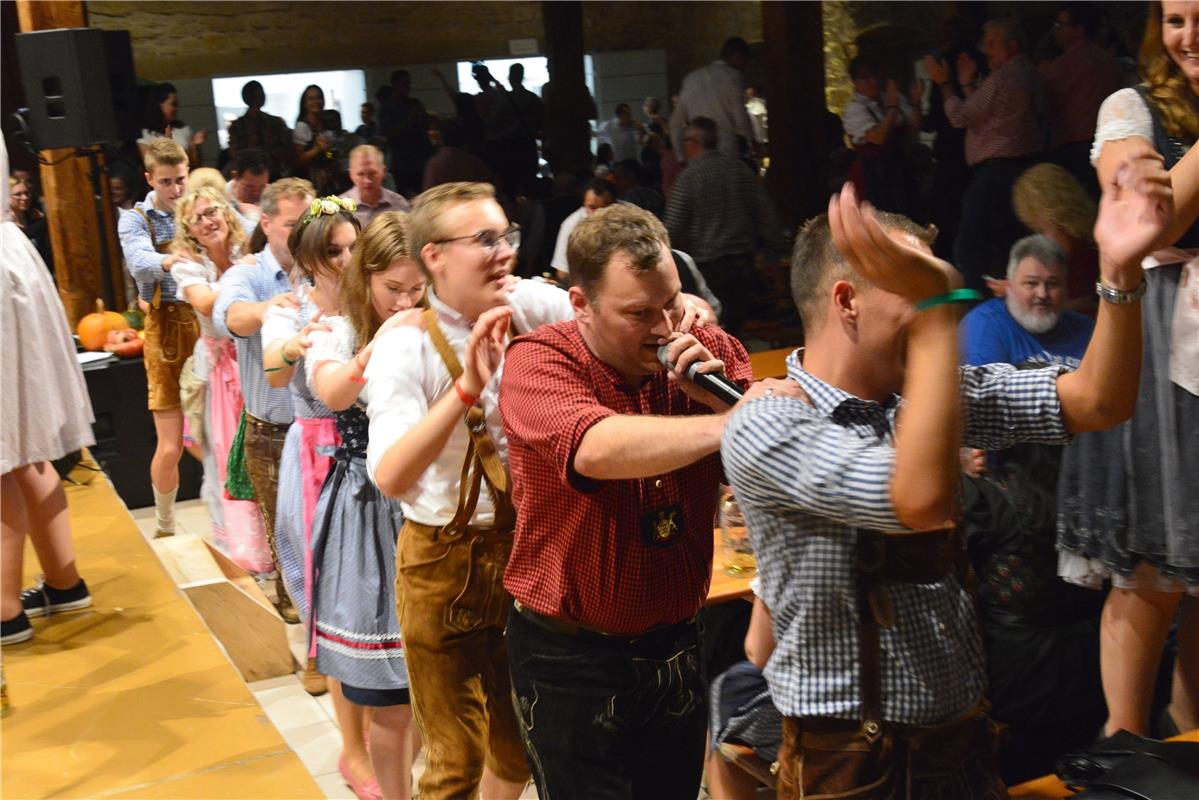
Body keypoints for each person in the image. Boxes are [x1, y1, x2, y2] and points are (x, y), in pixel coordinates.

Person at [721, 157, 1171, 798]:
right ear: (846, 302)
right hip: (853, 766)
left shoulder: (921, 399)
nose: (944, 314)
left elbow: (1099, 400)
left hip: (961, 745)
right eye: (917, 289)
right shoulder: (766, 422)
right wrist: (943, 307)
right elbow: (920, 501)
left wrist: (1118, 274)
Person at [499, 203, 763, 799]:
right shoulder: (540, 360)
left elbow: (764, 475)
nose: (665, 329)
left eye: (671, 302)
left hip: (678, 640)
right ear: (580, 304)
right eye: (638, 314)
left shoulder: (707, 350)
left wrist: (723, 402)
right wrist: (735, 424)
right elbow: (596, 447)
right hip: (571, 657)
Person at [365, 181, 571, 800]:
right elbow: (392, 475)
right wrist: (463, 391)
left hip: (526, 554)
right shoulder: (405, 344)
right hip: (442, 564)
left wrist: (683, 308)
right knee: (453, 763)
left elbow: (608, 305)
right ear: (434, 256)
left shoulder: (531, 304)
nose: (504, 250)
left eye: (505, 234)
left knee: (520, 747)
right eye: (484, 239)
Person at [1056, 0, 1199, 740]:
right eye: (1174, 20)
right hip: (1156, 339)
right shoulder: (1129, 106)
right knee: (1153, 567)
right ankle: (1123, 745)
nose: (1187, 36)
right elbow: (1154, 220)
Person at [306, 211, 425, 800]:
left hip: (438, 507)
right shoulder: (340, 332)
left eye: (416, 288)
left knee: (439, 692)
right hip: (371, 511)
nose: (404, 300)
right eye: (392, 289)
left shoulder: (447, 325)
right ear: (365, 280)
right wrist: (383, 343)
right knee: (391, 697)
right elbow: (331, 392)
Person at [1, 136, 95, 646]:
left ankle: (4, 611)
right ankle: (64, 582)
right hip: (10, 262)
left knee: (4, 452)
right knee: (22, 447)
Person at [211, 177, 316, 623]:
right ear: (267, 222)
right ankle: (302, 618)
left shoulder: (328, 265)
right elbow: (230, 316)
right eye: (293, 224)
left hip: (327, 424)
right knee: (286, 534)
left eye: (308, 223)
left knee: (324, 533)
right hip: (272, 431)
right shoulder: (247, 273)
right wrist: (271, 308)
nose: (302, 233)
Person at [168, 187, 271, 573]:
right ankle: (247, 552)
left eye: (212, 211)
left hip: (258, 365)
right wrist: (245, 278)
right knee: (229, 460)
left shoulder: (249, 251)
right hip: (223, 374)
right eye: (197, 218)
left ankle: (279, 545)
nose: (208, 221)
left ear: (226, 214)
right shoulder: (190, 266)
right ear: (190, 230)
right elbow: (206, 303)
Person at [117, 138, 200, 541]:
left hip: (206, 326)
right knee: (171, 445)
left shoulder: (201, 210)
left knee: (218, 436)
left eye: (181, 179)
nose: (176, 189)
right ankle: (165, 525)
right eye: (166, 181)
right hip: (165, 328)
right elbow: (139, 261)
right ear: (150, 179)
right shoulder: (135, 219)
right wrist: (170, 259)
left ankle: (233, 519)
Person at [925, 17, 1045, 291]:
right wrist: (967, 85)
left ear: (1012, 46)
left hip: (996, 172)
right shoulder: (1032, 73)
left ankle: (980, 310)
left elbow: (959, 116)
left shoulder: (1002, 78)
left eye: (991, 44)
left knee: (972, 246)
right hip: (1026, 170)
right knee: (1011, 242)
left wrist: (944, 83)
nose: (984, 50)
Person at [663, 117, 783, 338]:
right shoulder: (741, 171)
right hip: (745, 265)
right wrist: (769, 254)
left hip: (708, 269)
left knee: (715, 332)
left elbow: (673, 230)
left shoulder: (688, 178)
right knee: (741, 331)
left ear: (692, 143)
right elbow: (767, 217)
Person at [961, 234, 1094, 369]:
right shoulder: (984, 327)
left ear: (1066, 288)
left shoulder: (1087, 330)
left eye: (1052, 284)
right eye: (1031, 283)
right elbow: (985, 388)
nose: (1042, 294)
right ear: (1009, 285)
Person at [1042, 2, 1125, 199]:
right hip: (1109, 143)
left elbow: (1047, 104)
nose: (1056, 31)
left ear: (1078, 30)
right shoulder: (1108, 59)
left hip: (1075, 148)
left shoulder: (1065, 64)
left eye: (1060, 25)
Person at [1011, 163, 1100, 312]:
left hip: (1072, 319)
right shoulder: (1088, 226)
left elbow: (1061, 296)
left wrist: (1013, 289)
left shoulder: (1057, 238)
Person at [841, 55, 923, 215]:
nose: (873, 82)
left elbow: (914, 130)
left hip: (899, 168)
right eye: (866, 78)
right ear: (854, 81)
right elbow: (878, 138)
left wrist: (916, 102)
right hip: (873, 173)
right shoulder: (854, 109)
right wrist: (892, 108)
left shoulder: (890, 98)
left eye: (876, 76)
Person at [670, 37, 756, 161]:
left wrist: (681, 157)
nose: (746, 66)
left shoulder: (691, 78)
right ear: (738, 56)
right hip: (726, 153)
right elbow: (741, 118)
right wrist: (751, 141)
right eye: (745, 61)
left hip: (697, 154)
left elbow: (675, 123)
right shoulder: (733, 76)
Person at [379, 70, 433, 197]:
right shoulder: (387, 108)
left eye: (409, 83)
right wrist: (409, 121)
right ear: (395, 85)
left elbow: (426, 127)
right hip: (402, 163)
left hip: (420, 160)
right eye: (404, 83)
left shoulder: (415, 103)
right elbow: (388, 134)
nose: (408, 87)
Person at [550, 178, 616, 279]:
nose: (599, 213)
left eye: (605, 207)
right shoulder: (571, 225)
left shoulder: (628, 217)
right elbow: (563, 272)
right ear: (584, 204)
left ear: (615, 204)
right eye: (592, 208)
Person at [226, 80, 294, 176]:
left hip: (270, 172)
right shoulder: (238, 126)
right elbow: (235, 153)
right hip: (257, 172)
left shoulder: (275, 122)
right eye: (258, 95)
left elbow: (286, 150)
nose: (261, 97)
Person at [340, 144, 411, 228]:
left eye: (373, 173)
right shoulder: (339, 209)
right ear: (350, 174)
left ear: (383, 171)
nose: (367, 180)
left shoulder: (400, 205)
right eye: (360, 174)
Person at [139, 83, 205, 166]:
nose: (176, 108)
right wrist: (168, 145)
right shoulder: (145, 134)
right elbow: (150, 166)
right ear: (159, 105)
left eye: (177, 104)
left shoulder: (182, 128)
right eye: (173, 104)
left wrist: (195, 145)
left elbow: (195, 164)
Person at [293, 85, 338, 194]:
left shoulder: (327, 126)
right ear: (305, 103)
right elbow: (298, 160)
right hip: (308, 181)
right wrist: (317, 149)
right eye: (311, 99)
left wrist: (328, 151)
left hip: (327, 179)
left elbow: (330, 156)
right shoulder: (302, 127)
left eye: (318, 98)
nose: (316, 101)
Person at [7, 175, 51, 272]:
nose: (25, 197)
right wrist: (47, 221)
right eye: (18, 194)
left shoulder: (33, 218)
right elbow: (21, 237)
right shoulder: (4, 223)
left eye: (27, 193)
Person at [226, 148, 271, 224]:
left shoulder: (273, 197)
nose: (256, 193)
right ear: (235, 176)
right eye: (250, 187)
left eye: (262, 186)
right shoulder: (221, 197)